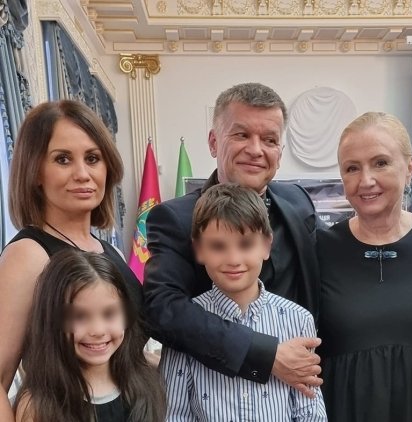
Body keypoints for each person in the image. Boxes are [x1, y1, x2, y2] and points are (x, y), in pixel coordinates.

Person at [144, 82, 323, 395]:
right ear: (214, 142)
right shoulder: (175, 218)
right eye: (241, 135)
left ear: (280, 152)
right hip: (213, 391)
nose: (256, 149)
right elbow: (163, 309)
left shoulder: (298, 202)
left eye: (269, 140)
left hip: (298, 389)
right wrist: (265, 355)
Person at [0, 100, 144, 421]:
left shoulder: (108, 252)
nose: (82, 174)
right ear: (35, 171)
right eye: (63, 159)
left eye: (92, 158)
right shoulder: (28, 254)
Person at [160, 183, 327, 421]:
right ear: (199, 249)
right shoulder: (186, 325)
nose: (234, 259)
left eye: (245, 244)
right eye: (218, 246)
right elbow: (175, 413)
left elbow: (310, 412)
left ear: (266, 245)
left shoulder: (298, 320)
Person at [317, 112, 412, 422]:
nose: (366, 180)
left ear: (409, 167)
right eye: (352, 168)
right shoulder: (318, 249)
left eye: (380, 163)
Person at [14, 249, 166, 422]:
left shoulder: (148, 386)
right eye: (79, 316)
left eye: (109, 314)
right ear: (52, 321)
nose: (98, 330)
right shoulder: (37, 406)